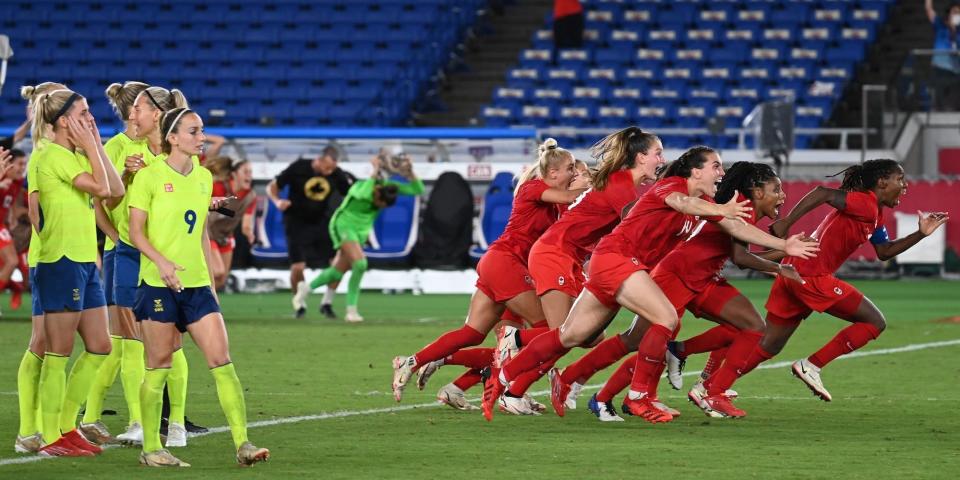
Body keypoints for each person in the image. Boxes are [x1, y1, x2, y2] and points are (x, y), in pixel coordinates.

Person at [482, 146, 820, 422]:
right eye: (715, 166)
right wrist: (728, 216)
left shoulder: (704, 207)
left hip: (612, 262)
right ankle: (639, 396)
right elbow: (685, 203)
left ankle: (507, 376)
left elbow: (736, 230)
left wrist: (784, 246)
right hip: (618, 260)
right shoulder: (673, 188)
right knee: (665, 320)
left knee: (572, 335)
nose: (721, 172)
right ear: (695, 172)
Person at [575, 162, 800, 421]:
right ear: (758, 192)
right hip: (679, 275)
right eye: (777, 189)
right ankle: (599, 393)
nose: (782, 196)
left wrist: (781, 257)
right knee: (639, 340)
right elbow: (741, 257)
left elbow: (742, 254)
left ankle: (702, 380)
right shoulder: (740, 209)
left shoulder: (735, 206)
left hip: (701, 280)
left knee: (749, 326)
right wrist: (780, 263)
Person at [128, 107, 269, 467]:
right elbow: (136, 233)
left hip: (196, 286)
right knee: (158, 365)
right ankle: (151, 449)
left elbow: (201, 232)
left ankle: (243, 444)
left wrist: (210, 280)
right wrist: (161, 263)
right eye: (193, 132)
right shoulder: (149, 177)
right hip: (157, 285)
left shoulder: (205, 178)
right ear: (172, 138)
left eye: (202, 131)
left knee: (222, 362)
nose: (201, 137)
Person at [391, 138, 579, 403]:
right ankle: (513, 392)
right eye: (570, 168)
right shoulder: (533, 188)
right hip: (507, 264)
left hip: (502, 265)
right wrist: (596, 183)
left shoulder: (555, 203)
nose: (573, 174)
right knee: (549, 331)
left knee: (474, 333)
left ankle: (413, 361)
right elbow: (573, 196)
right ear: (553, 173)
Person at [751, 160, 948, 402]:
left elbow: (884, 251)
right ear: (882, 182)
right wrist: (786, 222)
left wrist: (920, 233)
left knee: (769, 343)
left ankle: (711, 384)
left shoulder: (875, 213)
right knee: (874, 322)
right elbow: (823, 192)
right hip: (813, 276)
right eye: (900, 179)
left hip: (795, 271)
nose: (905, 185)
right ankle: (811, 365)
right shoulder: (864, 202)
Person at [494, 127, 661, 413]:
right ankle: (513, 380)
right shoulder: (620, 186)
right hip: (554, 252)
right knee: (565, 335)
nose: (662, 158)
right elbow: (636, 232)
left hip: (569, 257)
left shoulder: (622, 184)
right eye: (657, 153)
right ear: (641, 157)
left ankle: (525, 371)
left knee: (590, 336)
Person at [32, 88, 125, 456]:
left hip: (86, 260)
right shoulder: (53, 155)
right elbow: (104, 187)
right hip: (61, 261)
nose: (90, 117)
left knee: (100, 346)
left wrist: (95, 145)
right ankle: (50, 434)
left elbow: (114, 190)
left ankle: (67, 425)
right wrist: (92, 147)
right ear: (63, 121)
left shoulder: (76, 155)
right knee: (59, 351)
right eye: (84, 112)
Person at [77, 80, 149, 446]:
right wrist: (115, 241)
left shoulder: (158, 145)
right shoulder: (116, 148)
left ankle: (89, 416)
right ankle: (139, 421)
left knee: (121, 344)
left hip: (149, 252)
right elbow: (101, 203)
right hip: (126, 253)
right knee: (129, 341)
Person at [301, 154, 425, 323]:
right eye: (380, 203)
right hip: (343, 225)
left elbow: (418, 190)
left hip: (360, 231)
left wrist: (410, 173)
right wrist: (375, 171)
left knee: (338, 271)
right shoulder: (362, 187)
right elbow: (363, 194)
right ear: (377, 194)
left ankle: (305, 289)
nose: (379, 206)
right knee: (360, 264)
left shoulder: (387, 187)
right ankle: (351, 311)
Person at [13, 82, 66, 455]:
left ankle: (47, 427)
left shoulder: (54, 148)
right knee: (43, 344)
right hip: (51, 259)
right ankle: (30, 430)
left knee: (55, 346)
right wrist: (50, 246)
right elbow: (36, 214)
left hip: (65, 258)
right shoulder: (43, 153)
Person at [266, 146, 354, 318]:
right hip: (296, 222)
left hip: (322, 222)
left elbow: (350, 194)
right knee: (298, 267)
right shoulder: (299, 167)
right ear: (319, 159)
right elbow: (273, 186)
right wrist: (277, 201)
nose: (328, 172)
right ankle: (300, 305)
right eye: (326, 167)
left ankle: (327, 303)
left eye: (332, 169)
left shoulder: (337, 174)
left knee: (337, 263)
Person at [205, 156, 256, 290]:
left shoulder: (251, 196)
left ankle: (207, 308)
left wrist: (249, 233)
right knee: (217, 271)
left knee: (221, 280)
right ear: (234, 174)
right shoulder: (217, 187)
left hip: (225, 236)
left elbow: (246, 223)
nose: (249, 176)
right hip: (208, 233)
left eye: (250, 172)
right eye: (246, 172)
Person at [0, 147, 26, 310]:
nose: (23, 168)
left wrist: (12, 220)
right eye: (20, 164)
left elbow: (10, 206)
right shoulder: (2, 178)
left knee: (11, 262)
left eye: (25, 164)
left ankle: (17, 288)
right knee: (11, 261)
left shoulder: (16, 183)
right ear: (8, 164)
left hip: (2, 226)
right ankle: (17, 288)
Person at [925, 0, 960, 110]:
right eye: (955, 12)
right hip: (940, 67)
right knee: (938, 98)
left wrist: (954, 32)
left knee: (954, 100)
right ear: (949, 14)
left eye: (959, 13)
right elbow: (929, 9)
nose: (957, 15)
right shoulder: (940, 25)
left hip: (956, 71)